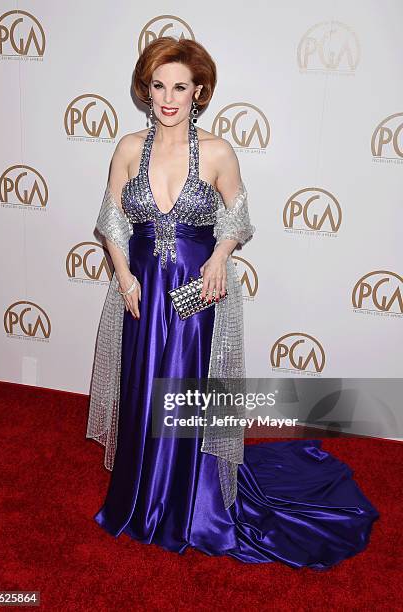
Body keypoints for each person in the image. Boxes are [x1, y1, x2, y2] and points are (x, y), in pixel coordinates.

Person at [86, 37, 379, 569]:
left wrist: (221, 256)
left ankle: (189, 506)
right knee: (144, 384)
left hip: (198, 286)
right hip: (142, 289)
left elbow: (238, 218)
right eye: (158, 85)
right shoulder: (128, 147)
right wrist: (125, 276)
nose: (168, 97)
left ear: (199, 91)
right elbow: (111, 220)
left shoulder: (219, 151)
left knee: (185, 387)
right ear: (145, 89)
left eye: (180, 86)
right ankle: (139, 496)